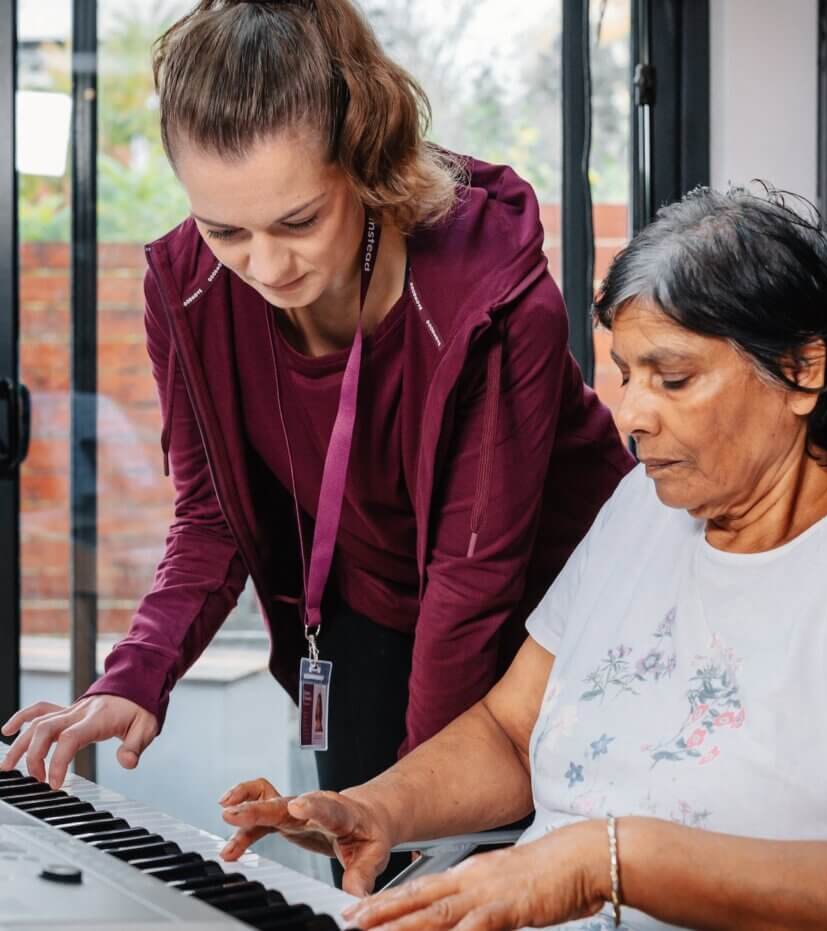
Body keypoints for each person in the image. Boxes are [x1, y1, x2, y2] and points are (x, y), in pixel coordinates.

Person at [216, 186, 827, 930]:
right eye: (627, 375)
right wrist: (377, 807)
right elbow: (509, 731)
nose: (633, 417)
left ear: (801, 371)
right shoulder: (639, 512)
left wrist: (607, 860)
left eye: (675, 377)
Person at [0, 0, 632, 887]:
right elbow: (211, 512)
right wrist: (132, 676)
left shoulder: (495, 297)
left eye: (298, 222)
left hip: (547, 609)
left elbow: (474, 577)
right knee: (364, 872)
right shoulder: (187, 289)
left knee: (480, 878)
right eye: (225, 230)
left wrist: (407, 813)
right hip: (370, 601)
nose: (264, 266)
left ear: (367, 162)